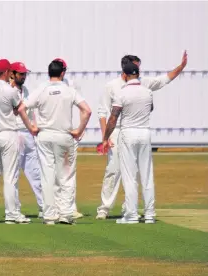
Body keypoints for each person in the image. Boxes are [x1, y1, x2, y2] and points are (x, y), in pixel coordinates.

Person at [96, 51, 188, 219]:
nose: (137, 71)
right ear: (125, 69)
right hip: (116, 132)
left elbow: (164, 79)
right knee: (113, 170)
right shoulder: (111, 86)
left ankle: (128, 209)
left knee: (135, 172)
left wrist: (181, 67)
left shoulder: (143, 83)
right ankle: (105, 208)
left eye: (138, 68)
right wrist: (105, 138)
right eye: (135, 67)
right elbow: (104, 113)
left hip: (132, 131)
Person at [18, 60, 92, 225]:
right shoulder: (69, 90)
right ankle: (66, 214)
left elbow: (22, 108)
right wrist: (79, 130)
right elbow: (87, 110)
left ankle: (50, 215)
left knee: (47, 176)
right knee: (66, 176)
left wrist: (31, 127)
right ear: (63, 73)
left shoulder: (41, 89)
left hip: (45, 136)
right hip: (64, 136)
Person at [102, 63, 162, 223]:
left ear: (124, 74)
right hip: (145, 132)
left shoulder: (122, 93)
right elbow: (150, 109)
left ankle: (131, 215)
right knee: (147, 175)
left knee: (129, 176)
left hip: (128, 132)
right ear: (138, 73)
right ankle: (150, 215)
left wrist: (105, 137)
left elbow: (113, 118)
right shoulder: (148, 92)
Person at [0, 59, 38, 224]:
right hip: (9, 134)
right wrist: (32, 128)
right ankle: (12, 214)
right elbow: (19, 110)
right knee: (10, 176)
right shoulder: (10, 91)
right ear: (7, 72)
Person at [9, 62, 44, 218]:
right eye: (21, 74)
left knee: (36, 172)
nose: (23, 76)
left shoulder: (26, 90)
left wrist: (34, 127)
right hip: (14, 134)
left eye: (24, 74)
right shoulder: (8, 91)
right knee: (14, 174)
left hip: (28, 134)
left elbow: (30, 112)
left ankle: (45, 207)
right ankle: (14, 210)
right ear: (12, 74)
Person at [54, 58, 84, 220]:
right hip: (55, 134)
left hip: (68, 133)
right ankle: (55, 207)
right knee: (54, 173)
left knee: (68, 172)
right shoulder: (48, 86)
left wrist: (80, 128)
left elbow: (82, 107)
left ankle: (70, 207)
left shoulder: (71, 85)